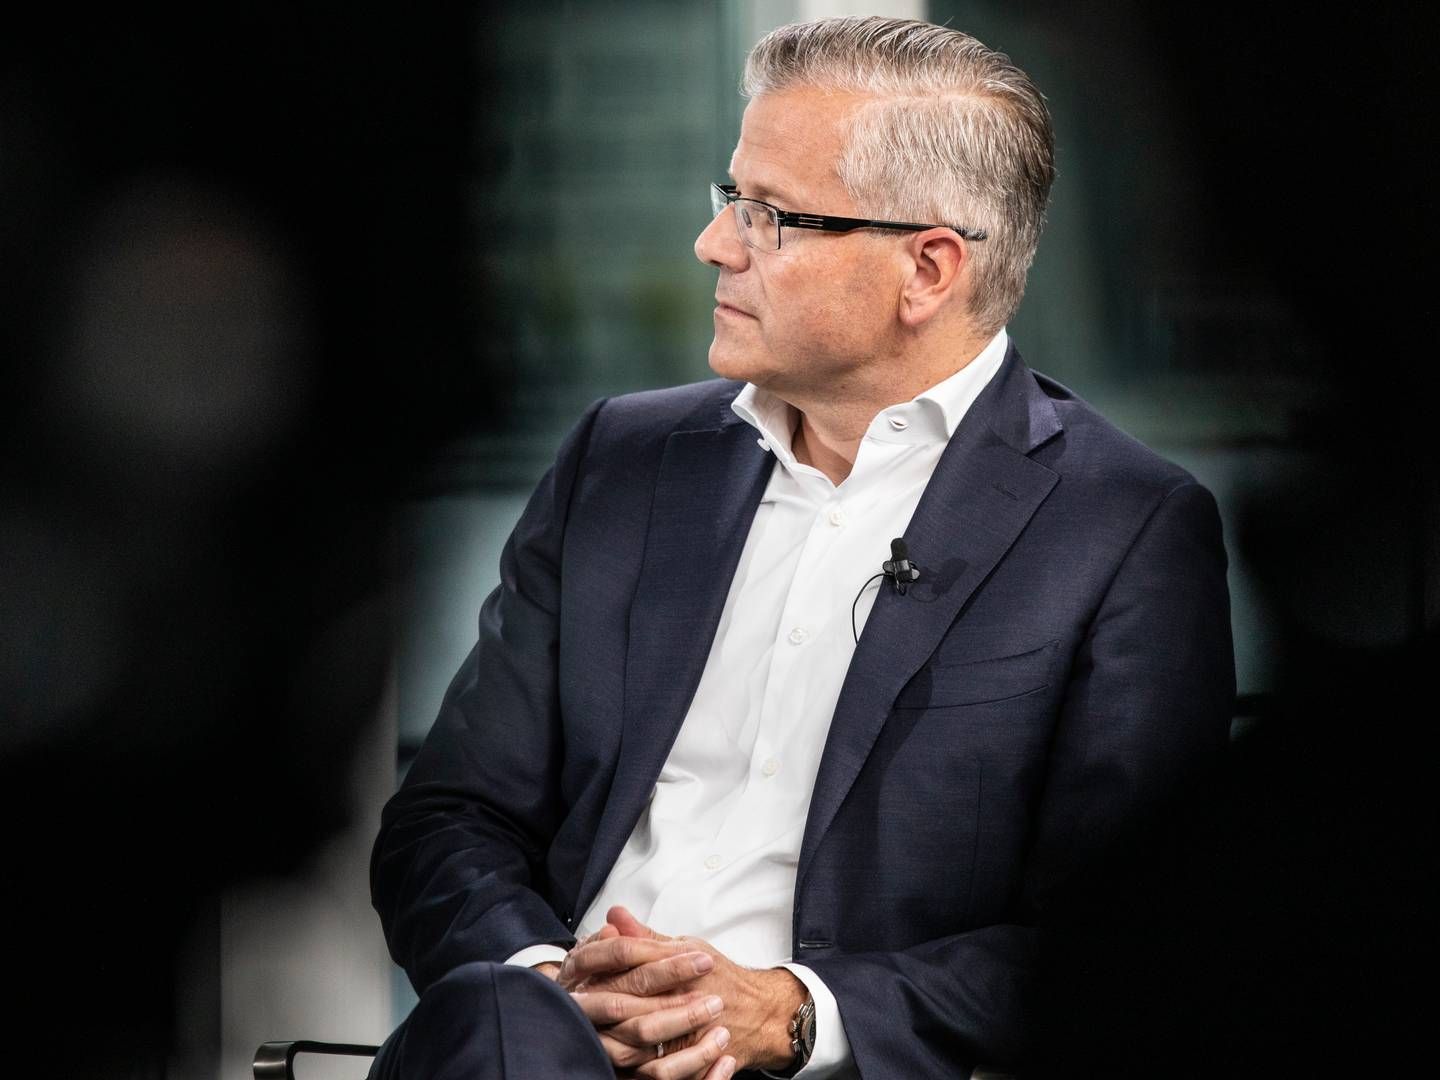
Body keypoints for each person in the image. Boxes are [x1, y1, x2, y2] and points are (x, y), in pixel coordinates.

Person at [369, 15, 1234, 1079]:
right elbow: (448, 821)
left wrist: (791, 1015)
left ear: (928, 269)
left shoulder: (1124, 529)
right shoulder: (622, 460)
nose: (716, 244)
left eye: (769, 214)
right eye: (728, 197)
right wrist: (555, 985)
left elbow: (1124, 951)